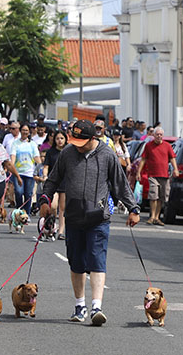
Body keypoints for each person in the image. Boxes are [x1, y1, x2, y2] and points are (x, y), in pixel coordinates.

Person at [39, 119, 140, 326]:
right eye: (74, 140)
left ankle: (96, 307)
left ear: (93, 138)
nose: (76, 144)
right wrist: (45, 199)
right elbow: (53, 179)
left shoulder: (107, 154)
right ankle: (79, 306)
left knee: (97, 260)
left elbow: (120, 184)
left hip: (99, 217)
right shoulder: (67, 152)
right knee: (76, 263)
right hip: (74, 217)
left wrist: (133, 208)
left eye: (80, 141)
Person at [136, 127, 179, 226]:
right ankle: (152, 216)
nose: (159, 136)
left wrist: (176, 169)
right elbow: (143, 159)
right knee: (153, 196)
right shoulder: (148, 146)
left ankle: (157, 217)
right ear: (153, 135)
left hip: (164, 175)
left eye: (160, 135)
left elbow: (172, 158)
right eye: (157, 134)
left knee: (161, 197)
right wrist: (139, 172)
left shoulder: (167, 146)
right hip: (153, 175)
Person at [43, 130, 68, 240]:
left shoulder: (69, 152)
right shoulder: (50, 152)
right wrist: (45, 176)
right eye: (57, 138)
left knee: (63, 209)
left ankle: (61, 231)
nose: (60, 141)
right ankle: (51, 225)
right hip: (54, 182)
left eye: (62, 138)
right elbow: (46, 166)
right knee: (53, 206)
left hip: (66, 182)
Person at [11, 123, 41, 216]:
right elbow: (13, 156)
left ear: (29, 132)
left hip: (29, 173)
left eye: (27, 130)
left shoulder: (32, 144)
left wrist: (41, 168)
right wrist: (11, 166)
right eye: (23, 130)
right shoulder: (16, 143)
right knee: (19, 192)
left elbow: (36, 157)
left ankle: (26, 214)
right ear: (20, 131)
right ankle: (19, 211)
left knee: (28, 194)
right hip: (18, 172)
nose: (25, 132)